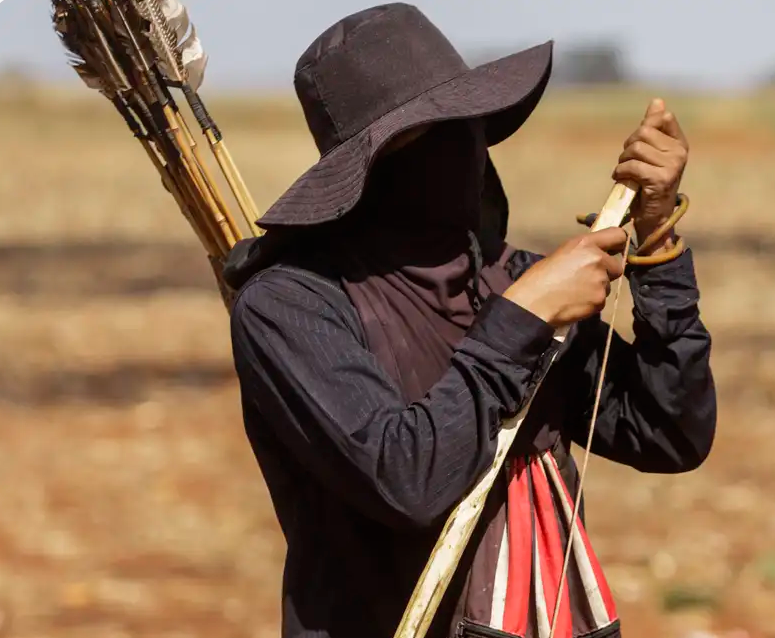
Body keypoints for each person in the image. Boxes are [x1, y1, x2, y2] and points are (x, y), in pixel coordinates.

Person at [222, 4, 716, 638]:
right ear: (365, 172)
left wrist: (656, 249)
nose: (457, 151)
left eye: (463, 124)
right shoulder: (292, 307)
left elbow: (669, 434)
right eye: (422, 137)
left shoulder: (511, 277)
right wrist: (520, 322)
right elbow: (407, 479)